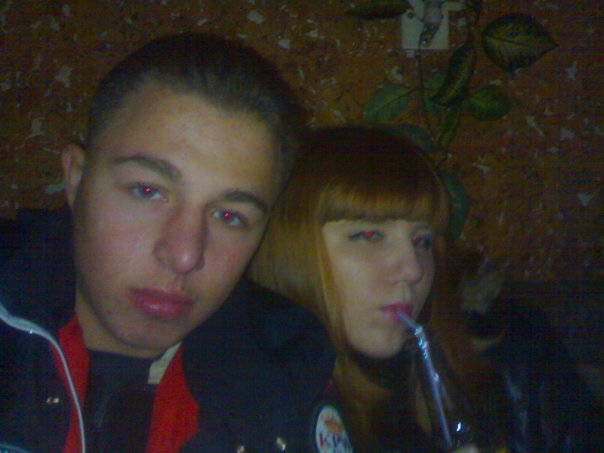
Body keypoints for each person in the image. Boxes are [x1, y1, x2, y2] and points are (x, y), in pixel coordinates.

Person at [0, 33, 352, 453]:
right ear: (76, 179)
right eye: (147, 191)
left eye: (229, 216)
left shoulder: (287, 368)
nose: (185, 256)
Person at [249, 126, 604, 452]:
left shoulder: (515, 356)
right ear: (291, 249)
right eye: (369, 235)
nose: (414, 269)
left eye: (422, 240)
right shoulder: (256, 399)